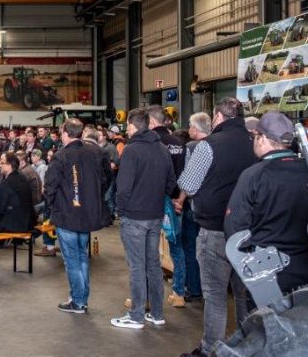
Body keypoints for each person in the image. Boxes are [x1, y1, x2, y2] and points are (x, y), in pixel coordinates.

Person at [176, 97, 257, 357]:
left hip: (215, 227)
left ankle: (210, 349)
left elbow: (189, 183)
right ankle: (249, 346)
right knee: (243, 291)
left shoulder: (208, 145)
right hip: (248, 229)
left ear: (218, 116)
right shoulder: (254, 142)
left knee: (215, 292)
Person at [224, 111, 308, 308]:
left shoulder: (253, 176)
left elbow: (234, 226)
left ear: (262, 138)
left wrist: (247, 262)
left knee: (266, 324)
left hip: (266, 275)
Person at [110, 109, 175, 329]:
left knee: (137, 266)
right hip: (155, 215)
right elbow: (171, 182)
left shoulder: (131, 150)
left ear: (132, 125)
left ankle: (136, 315)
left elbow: (123, 187)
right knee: (153, 265)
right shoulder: (162, 149)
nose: (126, 130)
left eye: (127, 126)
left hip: (134, 216)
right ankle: (156, 313)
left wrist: (121, 210)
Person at [45, 119, 105, 314]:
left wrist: (52, 206)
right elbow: (104, 179)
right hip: (86, 214)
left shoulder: (61, 155)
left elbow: (50, 186)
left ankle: (78, 301)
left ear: (65, 133)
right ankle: (81, 298)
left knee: (72, 259)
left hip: (67, 215)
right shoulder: (94, 153)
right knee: (81, 257)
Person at [169, 112, 208, 307]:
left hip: (193, 205)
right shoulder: (216, 146)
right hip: (212, 207)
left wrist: (180, 199)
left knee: (189, 247)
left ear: (196, 128)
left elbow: (187, 179)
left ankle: (193, 288)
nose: (190, 129)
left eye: (192, 126)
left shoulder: (192, 148)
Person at [0, 153, 35, 233]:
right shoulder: (22, 177)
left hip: (15, 225)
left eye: (2, 163)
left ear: (9, 165)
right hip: (28, 222)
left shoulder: (7, 182)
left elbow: (0, 208)